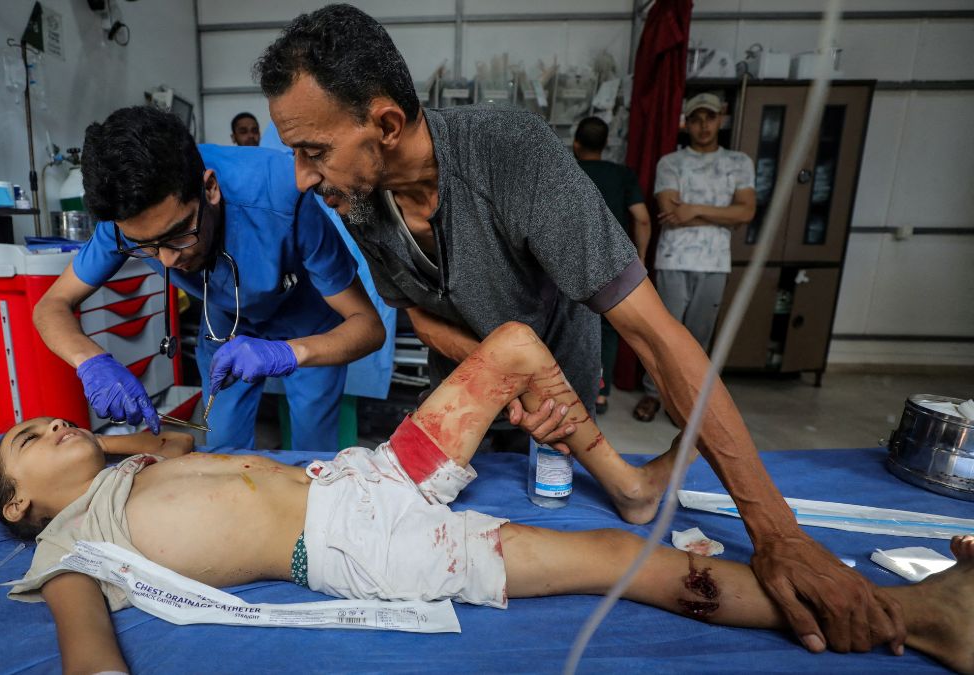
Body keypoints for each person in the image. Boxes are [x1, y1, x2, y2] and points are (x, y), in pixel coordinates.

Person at [252, 4, 905, 654]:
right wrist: (498, 374)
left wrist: (778, 532)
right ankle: (630, 484)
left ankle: (632, 486)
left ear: (387, 124)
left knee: (563, 507)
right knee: (450, 527)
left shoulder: (510, 154)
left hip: (557, 369)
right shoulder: (361, 203)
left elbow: (654, 337)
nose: (302, 178)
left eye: (314, 152)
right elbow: (415, 311)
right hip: (474, 376)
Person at [0, 322, 974, 675]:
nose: (55, 423)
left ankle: (630, 482)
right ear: (23, 508)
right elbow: (91, 660)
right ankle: (921, 618)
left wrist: (119, 431)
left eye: (51, 418)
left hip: (366, 474)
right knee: (614, 566)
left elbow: (154, 436)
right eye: (30, 441)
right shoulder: (74, 550)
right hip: (359, 545)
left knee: (511, 346)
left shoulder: (132, 466)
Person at [32, 106, 385, 452]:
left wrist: (291, 352)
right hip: (224, 324)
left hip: (307, 322)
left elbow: (368, 327)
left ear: (210, 189)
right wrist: (91, 361)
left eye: (178, 235)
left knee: (313, 449)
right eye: (147, 246)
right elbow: (51, 305)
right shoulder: (125, 219)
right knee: (222, 444)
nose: (168, 260)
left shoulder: (282, 192)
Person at [632, 93, 756, 424]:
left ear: (720, 120)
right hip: (674, 257)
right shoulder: (671, 162)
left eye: (710, 118)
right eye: (697, 119)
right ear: (687, 123)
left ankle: (687, 401)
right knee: (664, 334)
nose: (704, 126)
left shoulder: (738, 162)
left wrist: (694, 209)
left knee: (699, 337)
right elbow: (669, 211)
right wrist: (724, 214)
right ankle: (653, 393)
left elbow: (746, 211)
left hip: (715, 261)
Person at [572, 116, 651, 415]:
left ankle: (566, 390)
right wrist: (640, 258)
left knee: (570, 326)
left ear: (576, 144)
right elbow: (642, 218)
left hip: (570, 260)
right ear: (605, 145)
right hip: (612, 263)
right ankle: (600, 393)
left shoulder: (567, 170)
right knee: (608, 328)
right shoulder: (623, 175)